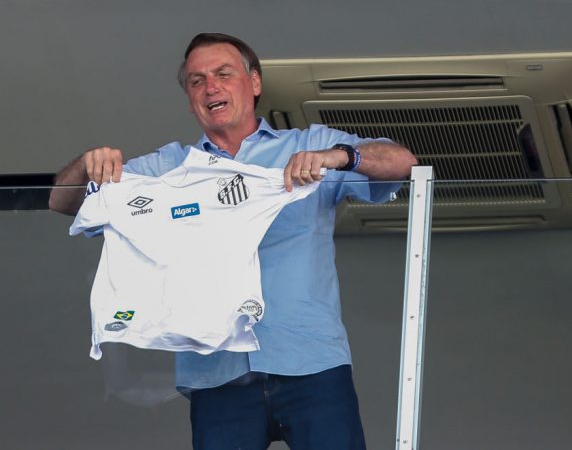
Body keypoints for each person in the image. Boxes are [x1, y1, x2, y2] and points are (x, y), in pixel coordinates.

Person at [49, 32, 417, 450]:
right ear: (190, 98)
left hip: (310, 362)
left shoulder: (308, 145)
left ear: (254, 82)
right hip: (215, 372)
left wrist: (340, 156)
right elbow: (62, 201)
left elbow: (403, 162)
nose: (211, 87)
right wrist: (87, 165)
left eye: (223, 74)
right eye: (197, 80)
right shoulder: (168, 168)